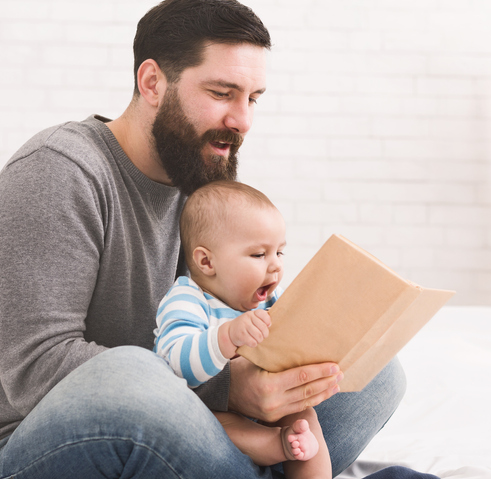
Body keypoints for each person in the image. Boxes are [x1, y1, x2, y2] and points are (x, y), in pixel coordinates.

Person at [0, 1, 406, 477]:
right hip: (41, 440)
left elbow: (216, 314)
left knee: (375, 375)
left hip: (181, 416)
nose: (243, 120)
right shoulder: (59, 171)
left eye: (253, 98)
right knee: (133, 374)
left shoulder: (199, 183)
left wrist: (278, 356)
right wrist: (229, 386)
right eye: (222, 93)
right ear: (152, 83)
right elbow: (31, 369)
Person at [154, 180, 331, 478]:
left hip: (268, 405)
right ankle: (278, 445)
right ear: (207, 261)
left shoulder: (270, 300)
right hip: (206, 414)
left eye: (280, 253)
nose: (274, 266)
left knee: (305, 419)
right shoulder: (187, 298)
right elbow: (174, 362)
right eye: (259, 255)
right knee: (217, 424)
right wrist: (227, 337)